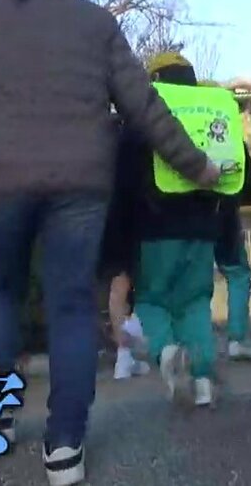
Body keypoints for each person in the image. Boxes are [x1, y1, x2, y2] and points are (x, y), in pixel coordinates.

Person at [0, 0, 221, 486]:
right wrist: (196, 164)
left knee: (0, 291)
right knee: (71, 306)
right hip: (80, 185)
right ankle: (65, 446)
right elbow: (144, 105)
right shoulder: (94, 21)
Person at [125, 52, 248, 408]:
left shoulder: (146, 120)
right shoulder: (213, 117)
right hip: (203, 229)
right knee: (195, 304)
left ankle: (165, 351)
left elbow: (125, 180)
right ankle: (203, 379)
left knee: (151, 300)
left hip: (154, 230)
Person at [213, 85, 251, 361]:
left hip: (177, 224)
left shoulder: (172, 137)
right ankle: (237, 337)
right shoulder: (233, 141)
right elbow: (250, 183)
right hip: (224, 217)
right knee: (237, 273)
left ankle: (190, 344)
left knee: (191, 285)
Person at [103, 117, 150, 380]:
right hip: (139, 215)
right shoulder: (141, 132)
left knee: (118, 286)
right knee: (146, 283)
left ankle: (124, 356)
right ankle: (135, 343)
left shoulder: (104, 133)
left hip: (108, 214)